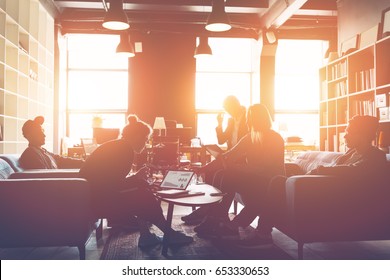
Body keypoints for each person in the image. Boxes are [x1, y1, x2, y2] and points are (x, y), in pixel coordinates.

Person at [236, 114, 388, 249]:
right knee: (274, 183)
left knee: (276, 183)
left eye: (349, 132)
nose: (345, 136)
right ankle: (253, 228)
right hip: (326, 192)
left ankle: (255, 230)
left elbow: (353, 171)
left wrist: (319, 170)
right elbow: (340, 168)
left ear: (361, 134)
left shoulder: (375, 156)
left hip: (340, 200)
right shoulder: (352, 152)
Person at [79, 114, 193, 248]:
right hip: (97, 201)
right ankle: (168, 234)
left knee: (142, 190)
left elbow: (112, 181)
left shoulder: (119, 146)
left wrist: (137, 180)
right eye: (145, 139)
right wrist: (137, 179)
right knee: (143, 195)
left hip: (93, 196)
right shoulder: (124, 149)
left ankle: (147, 236)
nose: (146, 143)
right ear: (137, 136)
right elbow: (115, 185)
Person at [193, 104, 285, 240]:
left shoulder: (274, 138)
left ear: (257, 119)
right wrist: (204, 169)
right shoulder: (250, 137)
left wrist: (234, 167)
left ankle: (220, 219)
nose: (247, 121)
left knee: (229, 176)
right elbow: (228, 155)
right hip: (256, 178)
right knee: (221, 174)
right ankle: (216, 217)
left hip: (271, 181)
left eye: (249, 118)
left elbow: (263, 168)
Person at [181, 95, 248, 224]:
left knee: (219, 174)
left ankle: (211, 212)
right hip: (231, 156)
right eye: (225, 108)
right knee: (211, 173)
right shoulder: (231, 120)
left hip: (242, 159)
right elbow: (221, 140)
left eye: (227, 108)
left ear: (235, 105)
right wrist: (219, 124)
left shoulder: (248, 118)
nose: (227, 111)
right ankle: (207, 209)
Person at [20, 116, 84, 169]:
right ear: (30, 135)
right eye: (39, 133)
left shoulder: (42, 151)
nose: (44, 135)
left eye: (43, 131)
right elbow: (42, 177)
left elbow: (60, 160)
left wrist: (83, 162)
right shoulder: (31, 154)